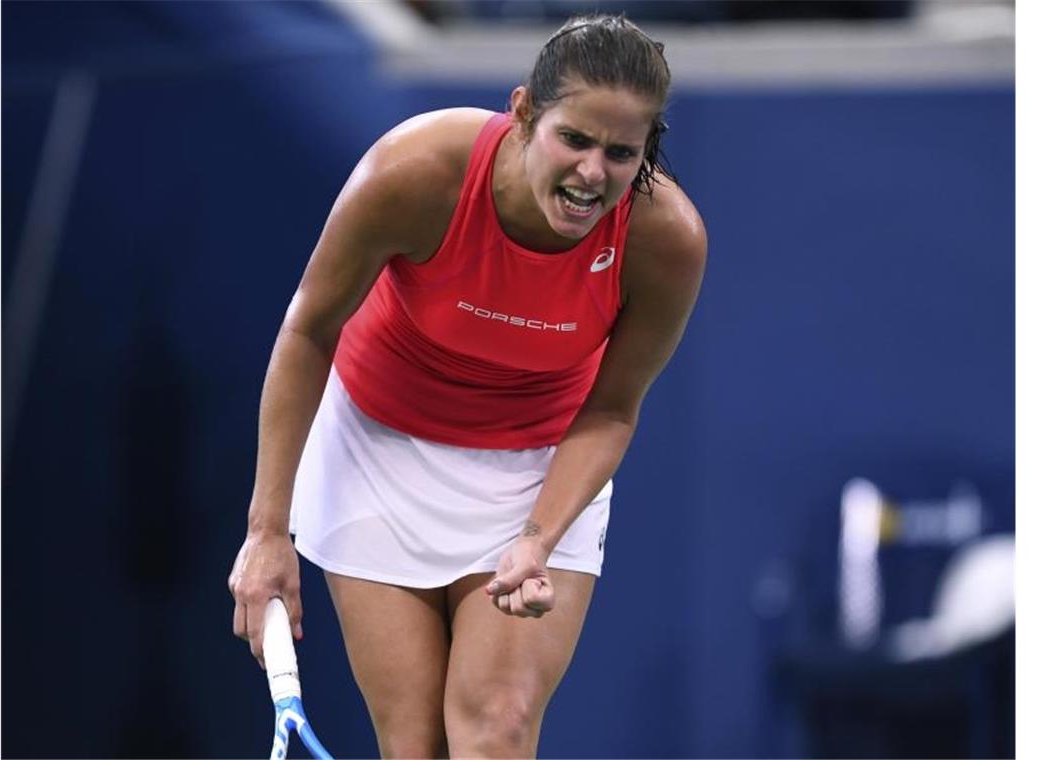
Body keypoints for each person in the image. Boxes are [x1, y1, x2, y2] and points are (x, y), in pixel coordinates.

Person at [228, 13, 707, 758]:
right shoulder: (414, 172)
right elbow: (309, 330)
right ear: (523, 113)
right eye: (574, 139)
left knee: (496, 728)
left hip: (539, 471)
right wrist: (266, 532)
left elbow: (612, 409)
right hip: (377, 456)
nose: (592, 174)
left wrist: (537, 540)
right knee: (415, 743)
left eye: (621, 152)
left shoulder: (665, 240)